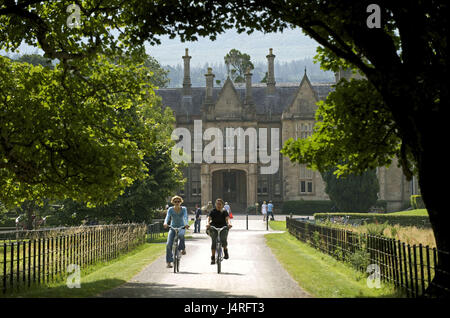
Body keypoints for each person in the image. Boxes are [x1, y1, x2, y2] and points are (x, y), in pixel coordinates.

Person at [163, 195, 190, 268]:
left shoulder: (183, 209)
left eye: (178, 201)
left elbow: (185, 217)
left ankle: (182, 248)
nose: (177, 203)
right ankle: (169, 262)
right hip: (172, 227)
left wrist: (186, 224)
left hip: (181, 227)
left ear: (181, 202)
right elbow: (167, 217)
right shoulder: (170, 209)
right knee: (168, 244)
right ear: (173, 202)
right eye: (175, 201)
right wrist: (165, 223)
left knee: (181, 235)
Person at [206, 198, 232, 264]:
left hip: (223, 227)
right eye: (217, 204)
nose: (218, 205)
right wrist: (207, 223)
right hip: (214, 227)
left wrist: (229, 224)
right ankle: (213, 257)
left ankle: (225, 251)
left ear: (222, 205)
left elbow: (228, 219)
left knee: (223, 238)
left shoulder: (224, 212)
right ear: (215, 204)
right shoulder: (212, 211)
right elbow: (208, 218)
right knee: (214, 241)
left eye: (220, 204)